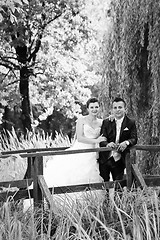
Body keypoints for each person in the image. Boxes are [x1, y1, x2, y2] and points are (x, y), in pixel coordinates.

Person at [44, 97, 106, 192]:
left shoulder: (102, 122)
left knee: (93, 173)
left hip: (95, 152)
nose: (94, 109)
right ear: (88, 109)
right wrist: (96, 141)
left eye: (96, 107)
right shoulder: (81, 120)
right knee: (77, 173)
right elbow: (80, 138)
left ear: (99, 108)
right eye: (92, 107)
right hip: (82, 149)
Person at [98, 97, 137, 182]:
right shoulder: (106, 122)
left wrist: (126, 143)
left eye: (120, 107)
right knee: (104, 184)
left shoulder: (131, 122)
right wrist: (107, 144)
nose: (117, 110)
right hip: (105, 158)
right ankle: (106, 196)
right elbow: (101, 139)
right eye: (115, 108)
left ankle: (118, 195)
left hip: (120, 158)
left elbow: (134, 138)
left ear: (125, 108)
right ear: (112, 109)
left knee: (119, 185)